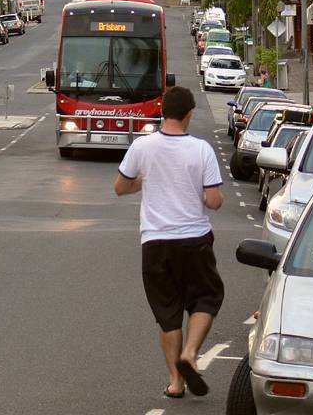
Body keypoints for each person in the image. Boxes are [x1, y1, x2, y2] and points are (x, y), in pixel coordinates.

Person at [114, 86, 224, 399]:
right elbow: (214, 201)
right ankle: (190, 352)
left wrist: (143, 182)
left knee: (168, 311)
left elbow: (120, 187)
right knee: (208, 296)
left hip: (155, 240)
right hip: (194, 238)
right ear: (190, 113)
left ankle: (176, 382)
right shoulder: (201, 150)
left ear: (163, 112)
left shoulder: (142, 147)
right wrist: (207, 197)